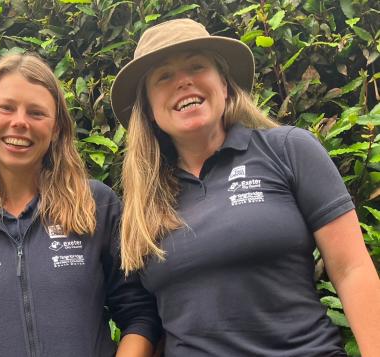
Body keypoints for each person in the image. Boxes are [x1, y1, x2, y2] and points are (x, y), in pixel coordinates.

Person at [112, 18, 380, 356]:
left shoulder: (287, 150)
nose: (183, 81)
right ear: (149, 109)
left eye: (197, 65)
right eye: (164, 76)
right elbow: (145, 318)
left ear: (224, 85)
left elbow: (351, 269)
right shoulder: (142, 202)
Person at [0, 53, 162, 357]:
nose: (19, 122)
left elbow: (140, 314)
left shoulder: (96, 206)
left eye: (37, 113)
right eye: (6, 108)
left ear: (55, 129)